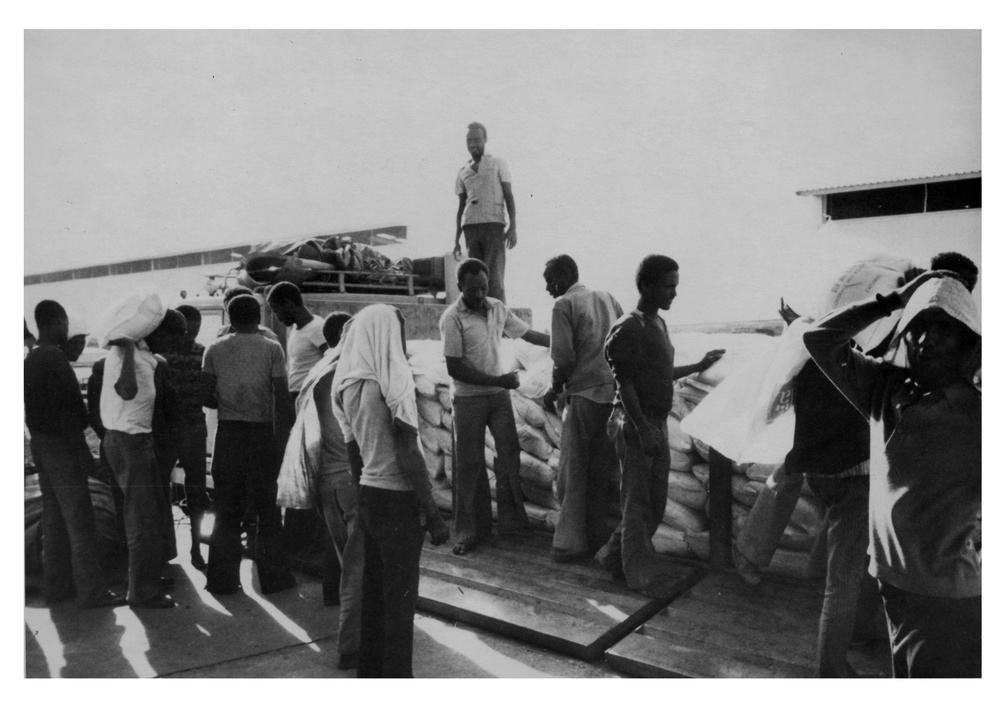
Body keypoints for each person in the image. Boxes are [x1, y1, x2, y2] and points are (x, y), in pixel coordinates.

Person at [804, 271, 981, 678]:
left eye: (944, 330)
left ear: (969, 343)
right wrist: (892, 301)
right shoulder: (886, 389)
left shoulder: (977, 415)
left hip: (945, 597)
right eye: (918, 328)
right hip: (891, 583)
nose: (926, 341)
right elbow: (818, 339)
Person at [331, 304, 450, 678]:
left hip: (369, 494)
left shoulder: (347, 383)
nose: (401, 338)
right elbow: (407, 451)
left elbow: (354, 453)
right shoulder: (392, 375)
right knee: (400, 603)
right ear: (384, 332)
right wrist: (432, 512)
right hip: (397, 500)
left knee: (375, 596)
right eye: (398, 329)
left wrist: (364, 496)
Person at [597, 255, 724, 597]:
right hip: (633, 422)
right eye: (668, 286)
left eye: (675, 286)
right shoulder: (627, 328)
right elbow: (624, 385)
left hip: (653, 422)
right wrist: (643, 428)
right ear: (646, 286)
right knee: (637, 502)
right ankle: (637, 575)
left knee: (654, 502)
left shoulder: (658, 325)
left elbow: (658, 374)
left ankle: (612, 556)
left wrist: (698, 365)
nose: (674, 293)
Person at [440, 258, 551, 556]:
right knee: (469, 464)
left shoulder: (497, 308)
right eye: (472, 289)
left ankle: (512, 524)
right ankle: (468, 532)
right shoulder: (451, 318)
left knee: (509, 456)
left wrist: (561, 342)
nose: (479, 294)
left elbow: (526, 334)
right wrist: (498, 379)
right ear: (461, 287)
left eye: (483, 288)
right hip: (468, 399)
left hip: (498, 397)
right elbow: (454, 367)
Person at [24, 300, 124, 609]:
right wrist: (82, 453)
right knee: (80, 521)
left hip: (41, 444)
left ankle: (57, 587)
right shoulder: (55, 358)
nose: (67, 331)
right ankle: (91, 591)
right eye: (65, 324)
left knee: (54, 520)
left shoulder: (30, 359)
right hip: (62, 446)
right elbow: (73, 412)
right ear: (56, 322)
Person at [200, 294, 297, 596]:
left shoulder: (214, 349)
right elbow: (282, 398)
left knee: (227, 508)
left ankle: (222, 581)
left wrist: (228, 400)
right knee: (267, 509)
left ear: (229, 318)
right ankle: (275, 580)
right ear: (258, 318)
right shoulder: (272, 348)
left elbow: (205, 397)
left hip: (228, 435)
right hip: (261, 435)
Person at [283, 311, 362, 670]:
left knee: (346, 561)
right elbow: (354, 439)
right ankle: (352, 646)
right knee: (359, 571)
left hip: (326, 482)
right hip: (349, 480)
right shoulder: (347, 375)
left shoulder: (317, 375)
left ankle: (354, 636)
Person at [100, 305, 186, 609]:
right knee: (142, 521)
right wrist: (126, 344)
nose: (179, 343)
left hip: (134, 441)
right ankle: (141, 592)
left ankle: (145, 579)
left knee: (145, 518)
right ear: (158, 331)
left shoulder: (145, 357)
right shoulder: (128, 356)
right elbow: (125, 390)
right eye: (176, 336)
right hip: (130, 443)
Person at [540, 255, 623, 562]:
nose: (548, 288)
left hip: (584, 396)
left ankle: (570, 544)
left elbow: (562, 358)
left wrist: (553, 389)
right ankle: (600, 537)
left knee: (573, 471)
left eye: (550, 281)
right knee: (601, 471)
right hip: (611, 397)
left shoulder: (563, 305)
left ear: (562, 278)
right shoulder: (607, 298)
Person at [162, 304, 210, 570]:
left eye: (194, 332)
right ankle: (178, 549)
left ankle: (194, 549)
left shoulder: (200, 353)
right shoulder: (163, 354)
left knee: (195, 493)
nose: (190, 337)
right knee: (170, 491)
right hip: (178, 428)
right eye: (186, 332)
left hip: (187, 427)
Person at [453, 122, 516, 303]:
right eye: (469, 140)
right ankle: (478, 320)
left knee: (494, 279)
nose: (473, 144)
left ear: (485, 139)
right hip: (470, 227)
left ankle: (498, 323)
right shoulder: (462, 171)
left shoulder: (498, 163)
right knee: (473, 279)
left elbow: (509, 195)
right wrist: (456, 240)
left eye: (477, 139)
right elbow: (460, 207)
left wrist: (513, 227)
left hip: (493, 225)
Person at [266, 281, 327, 400]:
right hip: (296, 396)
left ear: (288, 304)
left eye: (277, 311)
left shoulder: (317, 327)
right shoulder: (295, 327)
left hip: (309, 397)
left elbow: (332, 362)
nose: (277, 318)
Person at [216, 286, 280, 342]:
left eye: (234, 310)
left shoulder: (267, 336)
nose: (230, 316)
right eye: (227, 311)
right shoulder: (222, 333)